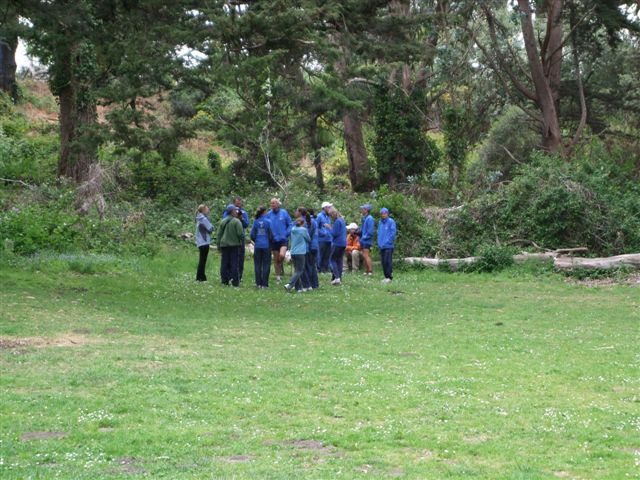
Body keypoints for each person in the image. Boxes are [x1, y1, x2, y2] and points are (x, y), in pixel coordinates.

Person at [222, 196, 249, 282]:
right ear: (233, 203)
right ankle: (229, 276)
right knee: (229, 259)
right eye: (237, 202)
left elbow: (246, 224)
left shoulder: (243, 212)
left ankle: (239, 276)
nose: (238, 204)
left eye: (240, 202)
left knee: (240, 258)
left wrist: (241, 219)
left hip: (240, 239)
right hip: (229, 238)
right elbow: (224, 221)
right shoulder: (227, 212)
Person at [217, 204, 245, 286]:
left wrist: (218, 245)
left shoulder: (223, 221)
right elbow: (240, 234)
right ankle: (235, 282)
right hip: (234, 246)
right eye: (235, 210)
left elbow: (219, 234)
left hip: (224, 246)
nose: (237, 212)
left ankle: (224, 280)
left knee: (224, 263)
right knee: (234, 264)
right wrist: (243, 241)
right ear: (232, 211)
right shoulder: (237, 221)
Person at [266, 198, 292, 283]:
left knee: (281, 256)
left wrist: (286, 233)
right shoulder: (269, 214)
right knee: (276, 259)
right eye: (271, 203)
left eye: (273, 203)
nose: (272, 205)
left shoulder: (284, 213)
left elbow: (290, 224)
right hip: (273, 240)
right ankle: (278, 276)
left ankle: (280, 267)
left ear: (278, 204)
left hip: (283, 239)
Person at [285, 217, 310, 293]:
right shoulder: (303, 230)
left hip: (293, 252)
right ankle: (289, 284)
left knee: (296, 270)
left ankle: (298, 288)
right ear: (302, 223)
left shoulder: (293, 229)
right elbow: (308, 239)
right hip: (300, 252)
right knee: (299, 270)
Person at [250, 206, 272, 288]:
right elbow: (271, 235)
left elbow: (252, 235)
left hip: (258, 246)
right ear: (264, 212)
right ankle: (265, 284)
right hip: (266, 245)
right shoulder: (268, 222)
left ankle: (258, 283)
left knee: (257, 264)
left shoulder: (256, 221)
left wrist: (256, 240)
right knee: (266, 264)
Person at [377, 207, 397, 283]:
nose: (383, 215)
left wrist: (387, 242)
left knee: (387, 261)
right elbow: (379, 233)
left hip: (388, 246)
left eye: (385, 213)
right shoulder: (380, 222)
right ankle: (385, 276)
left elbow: (393, 234)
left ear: (387, 214)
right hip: (381, 246)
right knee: (383, 262)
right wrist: (379, 243)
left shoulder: (391, 222)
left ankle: (389, 277)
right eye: (382, 213)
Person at [195, 204, 214, 282]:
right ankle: (201, 278)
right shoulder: (203, 219)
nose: (208, 210)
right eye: (207, 209)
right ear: (203, 210)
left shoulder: (199, 218)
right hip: (204, 242)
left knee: (201, 260)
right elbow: (210, 228)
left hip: (200, 242)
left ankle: (199, 277)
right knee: (203, 260)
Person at [328, 207, 346, 285]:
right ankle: (339, 278)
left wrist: (329, 228)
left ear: (333, 214)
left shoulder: (337, 222)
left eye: (330, 215)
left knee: (332, 259)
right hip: (343, 243)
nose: (330, 217)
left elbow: (335, 233)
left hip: (337, 243)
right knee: (339, 260)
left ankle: (337, 277)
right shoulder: (342, 220)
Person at [316, 201, 333, 273]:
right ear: (324, 208)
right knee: (320, 255)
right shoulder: (319, 216)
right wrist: (322, 233)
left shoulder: (328, 216)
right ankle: (319, 269)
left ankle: (325, 269)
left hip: (329, 239)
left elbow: (329, 226)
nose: (330, 208)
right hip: (321, 239)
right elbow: (316, 227)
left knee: (327, 255)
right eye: (329, 207)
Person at [306, 208, 320, 289]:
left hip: (310, 246)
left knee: (309, 266)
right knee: (313, 265)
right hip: (315, 245)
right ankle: (315, 284)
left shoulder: (309, 222)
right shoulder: (315, 221)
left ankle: (311, 284)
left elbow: (308, 235)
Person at [360, 204, 374, 276]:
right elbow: (362, 229)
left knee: (366, 255)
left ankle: (370, 271)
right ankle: (366, 270)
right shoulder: (364, 218)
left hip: (367, 240)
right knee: (363, 255)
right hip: (362, 240)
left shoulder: (370, 218)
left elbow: (370, 232)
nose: (361, 210)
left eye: (363, 209)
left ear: (366, 210)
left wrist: (364, 237)